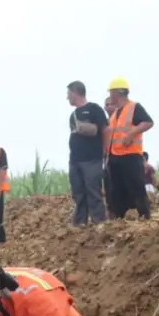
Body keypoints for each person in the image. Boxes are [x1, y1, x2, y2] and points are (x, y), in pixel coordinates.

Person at [104, 78, 154, 219]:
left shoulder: (134, 107)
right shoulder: (115, 113)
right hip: (115, 157)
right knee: (117, 191)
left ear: (117, 93)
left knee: (136, 188)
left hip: (130, 156)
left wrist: (132, 134)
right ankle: (122, 217)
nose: (110, 96)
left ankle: (143, 215)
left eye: (111, 92)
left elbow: (148, 122)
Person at [66, 81, 109, 226]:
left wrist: (105, 150)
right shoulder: (73, 115)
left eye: (68, 94)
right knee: (78, 192)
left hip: (92, 159)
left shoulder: (94, 109)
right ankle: (80, 224)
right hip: (75, 160)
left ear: (75, 92)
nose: (67, 98)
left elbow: (105, 130)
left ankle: (99, 223)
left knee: (93, 191)